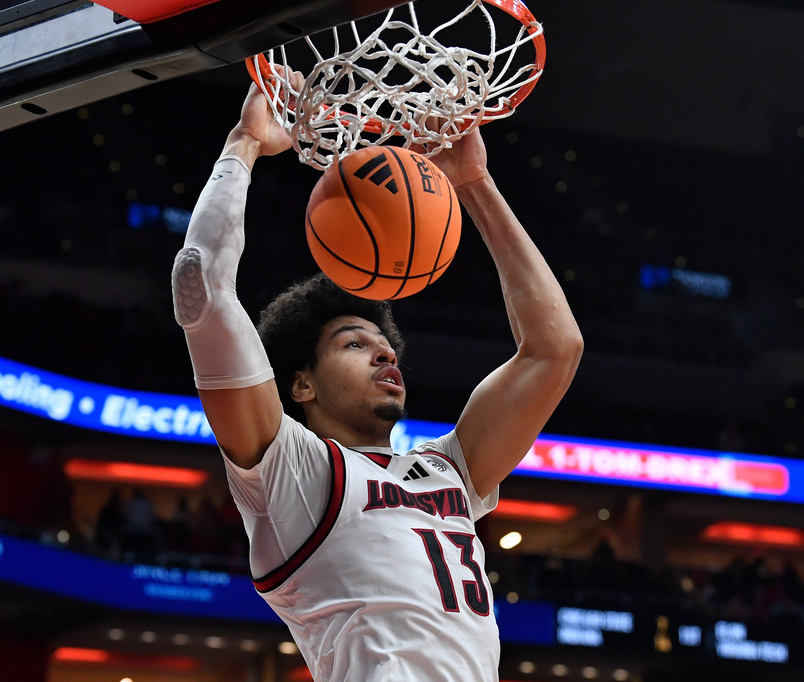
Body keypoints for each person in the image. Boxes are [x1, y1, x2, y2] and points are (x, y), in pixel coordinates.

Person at [171, 80, 583, 681]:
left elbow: (554, 348)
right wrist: (244, 145)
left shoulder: (448, 471)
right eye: (354, 344)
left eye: (386, 346)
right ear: (302, 385)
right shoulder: (294, 473)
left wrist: (473, 185)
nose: (385, 355)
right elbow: (201, 289)